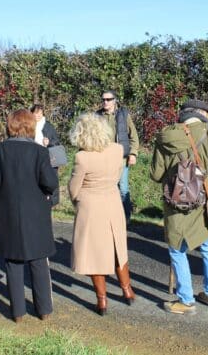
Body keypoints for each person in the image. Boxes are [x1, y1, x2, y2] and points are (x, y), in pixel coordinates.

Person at [150, 100, 208, 315]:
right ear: (201, 116)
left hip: (175, 203)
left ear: (182, 116)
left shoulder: (165, 137)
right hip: (203, 201)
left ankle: (186, 300)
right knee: (207, 245)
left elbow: (156, 174)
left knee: (177, 250)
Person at [0, 109, 58, 322]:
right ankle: (43, 310)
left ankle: (17, 313)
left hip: (7, 211)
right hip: (36, 213)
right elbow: (50, 182)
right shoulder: (40, 152)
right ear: (31, 127)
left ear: (10, 126)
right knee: (39, 261)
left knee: (13, 263)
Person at [68, 113, 135, 315]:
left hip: (90, 207)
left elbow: (73, 188)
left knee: (94, 254)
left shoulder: (82, 157)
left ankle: (102, 300)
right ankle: (127, 291)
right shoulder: (117, 149)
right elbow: (117, 175)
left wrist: (77, 199)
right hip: (113, 201)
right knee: (118, 248)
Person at [96, 90, 139, 223]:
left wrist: (133, 153)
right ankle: (105, 217)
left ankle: (125, 217)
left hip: (121, 158)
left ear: (115, 100)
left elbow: (134, 136)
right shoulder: (96, 116)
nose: (105, 102)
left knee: (123, 188)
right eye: (103, 99)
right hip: (103, 159)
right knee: (103, 187)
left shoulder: (123, 115)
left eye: (108, 99)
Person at [30, 104, 61, 206]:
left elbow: (56, 143)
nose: (38, 115)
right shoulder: (28, 125)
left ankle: (48, 200)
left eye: (40, 113)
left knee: (45, 179)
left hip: (46, 158)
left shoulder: (48, 126)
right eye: (35, 113)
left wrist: (49, 143)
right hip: (31, 157)